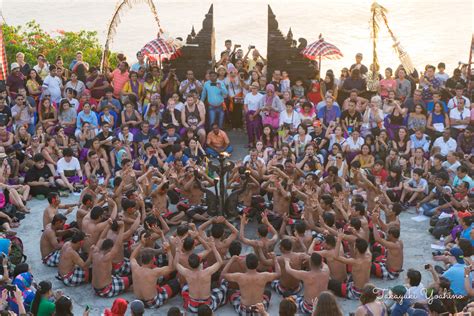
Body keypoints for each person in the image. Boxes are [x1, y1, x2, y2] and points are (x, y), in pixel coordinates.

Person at [177, 239, 227, 314]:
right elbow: (220, 262)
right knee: (223, 286)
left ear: (189, 264)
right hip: (207, 306)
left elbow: (176, 264)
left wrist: (178, 249)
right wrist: (213, 247)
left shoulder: (187, 272)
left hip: (192, 307)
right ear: (200, 262)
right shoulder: (207, 271)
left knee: (184, 288)